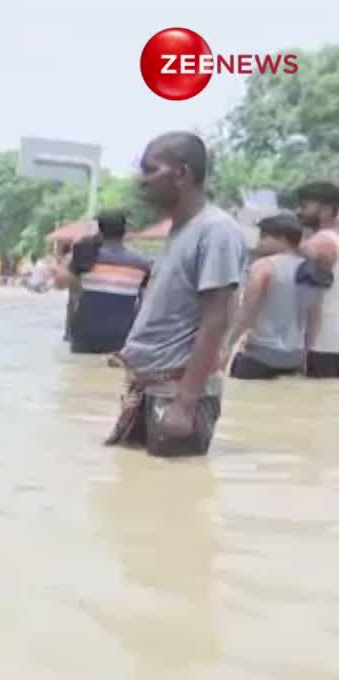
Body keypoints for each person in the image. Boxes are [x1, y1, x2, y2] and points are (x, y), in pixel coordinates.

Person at [105, 132, 247, 458]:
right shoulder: (181, 230)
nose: (142, 181)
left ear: (181, 174)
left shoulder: (216, 230)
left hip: (178, 392)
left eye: (150, 170)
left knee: (174, 499)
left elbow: (217, 318)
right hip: (150, 388)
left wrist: (185, 404)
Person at [223, 212, 320, 379]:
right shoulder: (311, 270)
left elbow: (247, 312)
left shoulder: (264, 266)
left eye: (263, 237)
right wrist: (306, 352)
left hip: (260, 354)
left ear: (282, 239)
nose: (258, 243)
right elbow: (315, 316)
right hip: (294, 356)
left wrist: (227, 346)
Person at [60, 210, 153, 354]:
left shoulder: (86, 256)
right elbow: (146, 301)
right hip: (122, 335)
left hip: (85, 334)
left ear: (99, 230)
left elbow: (61, 284)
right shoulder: (142, 263)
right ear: (125, 231)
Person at [298, 181, 339, 378]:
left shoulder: (321, 242)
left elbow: (312, 299)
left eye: (305, 206)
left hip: (322, 343)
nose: (300, 212)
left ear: (327, 209)